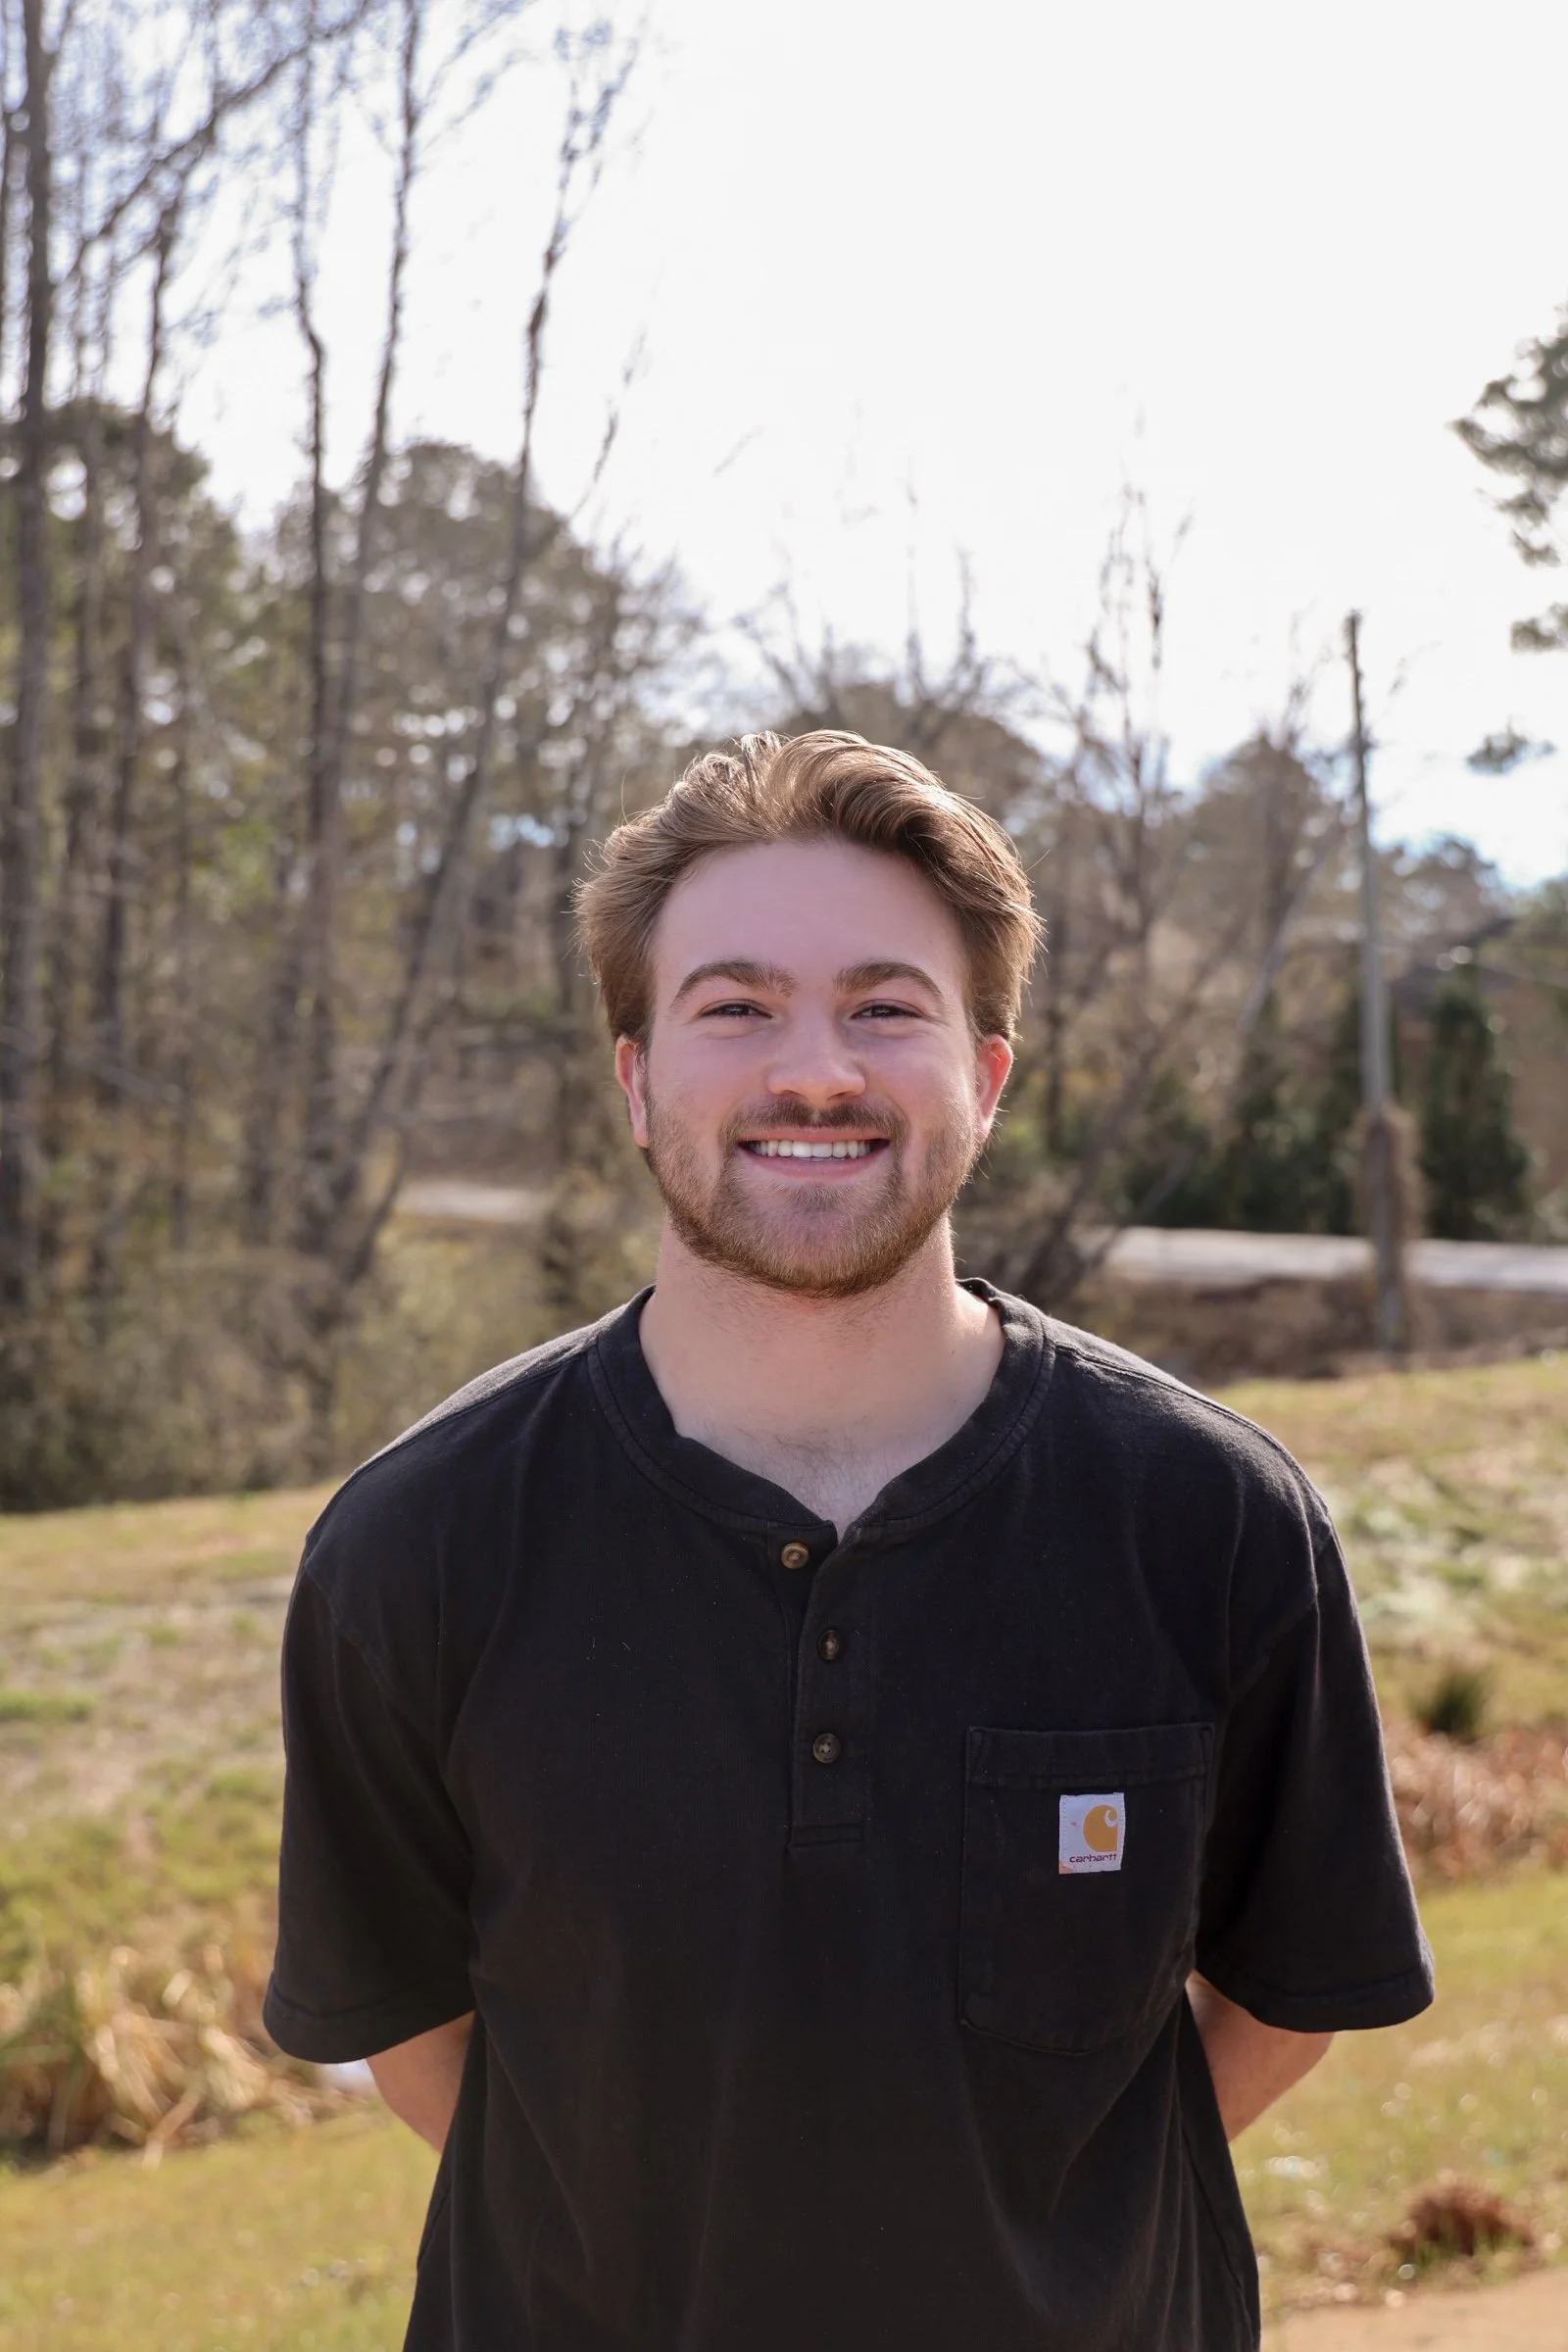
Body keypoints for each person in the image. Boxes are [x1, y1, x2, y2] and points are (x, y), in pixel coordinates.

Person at [264, 730, 1433, 2352]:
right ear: (636, 1079)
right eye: (734, 1006)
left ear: (988, 1074)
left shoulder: (1210, 1519)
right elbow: (414, 2037)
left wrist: (1023, 2231)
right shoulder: (416, 1547)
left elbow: (1291, 1991)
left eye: (887, 1006)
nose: (815, 1067)